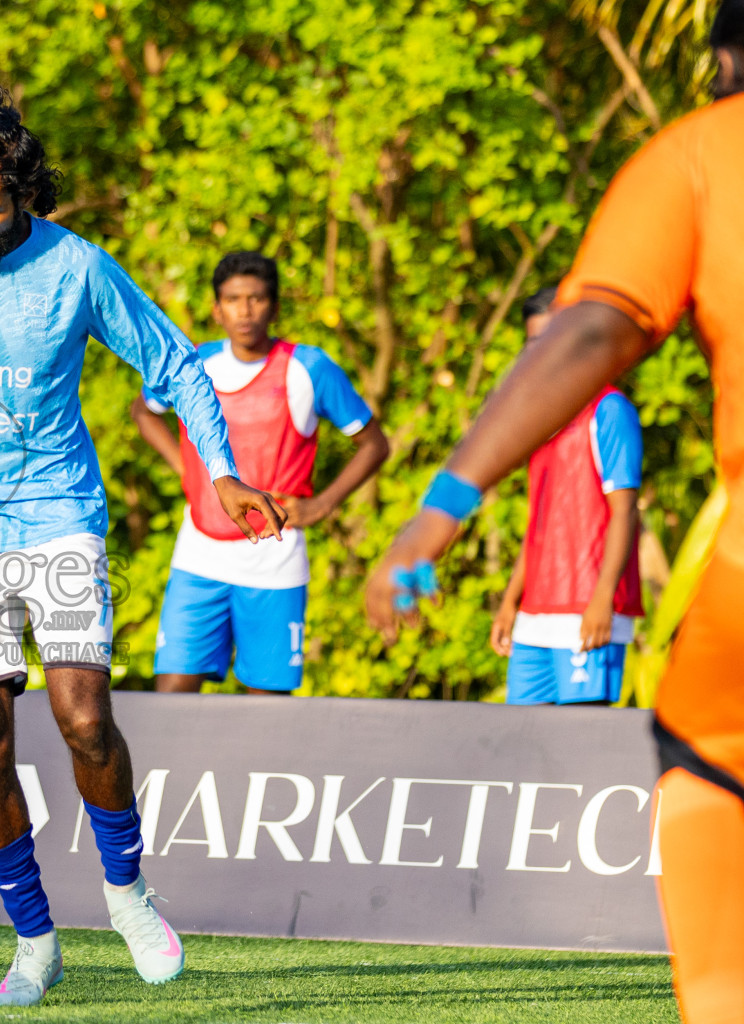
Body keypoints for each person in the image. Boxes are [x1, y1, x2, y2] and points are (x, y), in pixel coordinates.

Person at [0, 89, 285, 1006]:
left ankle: (128, 895)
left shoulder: (77, 268)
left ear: (24, 192)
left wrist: (223, 473)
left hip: (56, 516)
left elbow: (175, 366)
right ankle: (34, 941)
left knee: (85, 718)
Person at [366, 5, 744, 1019]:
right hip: (547, 600)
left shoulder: (703, 154)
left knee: (710, 775)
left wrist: (437, 509)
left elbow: (596, 336)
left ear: (722, 53)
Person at [132, 251, 388, 695]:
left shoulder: (309, 368)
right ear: (217, 308)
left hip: (275, 559)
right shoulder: (193, 363)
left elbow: (375, 445)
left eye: (256, 299)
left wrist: (324, 504)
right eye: (233, 299)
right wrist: (185, 469)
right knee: (171, 696)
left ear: (274, 306)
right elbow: (144, 411)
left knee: (266, 709)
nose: (244, 310)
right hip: (199, 555)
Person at [488, 286, 644, 706]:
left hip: (586, 608)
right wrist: (511, 600)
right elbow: (540, 523)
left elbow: (624, 511)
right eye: (532, 344)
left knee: (580, 748)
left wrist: (602, 601)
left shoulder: (610, 411)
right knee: (523, 738)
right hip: (535, 613)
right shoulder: (541, 417)